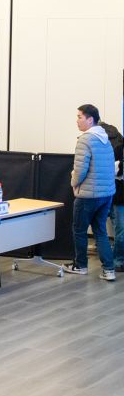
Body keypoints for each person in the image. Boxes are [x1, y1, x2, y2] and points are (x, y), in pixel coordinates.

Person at [70, 104, 117, 280]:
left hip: (88, 195)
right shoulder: (106, 138)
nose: (77, 120)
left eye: (80, 117)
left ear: (90, 120)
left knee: (79, 230)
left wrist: (73, 182)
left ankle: (80, 265)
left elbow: (80, 170)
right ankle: (109, 270)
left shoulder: (85, 140)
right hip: (106, 195)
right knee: (100, 232)